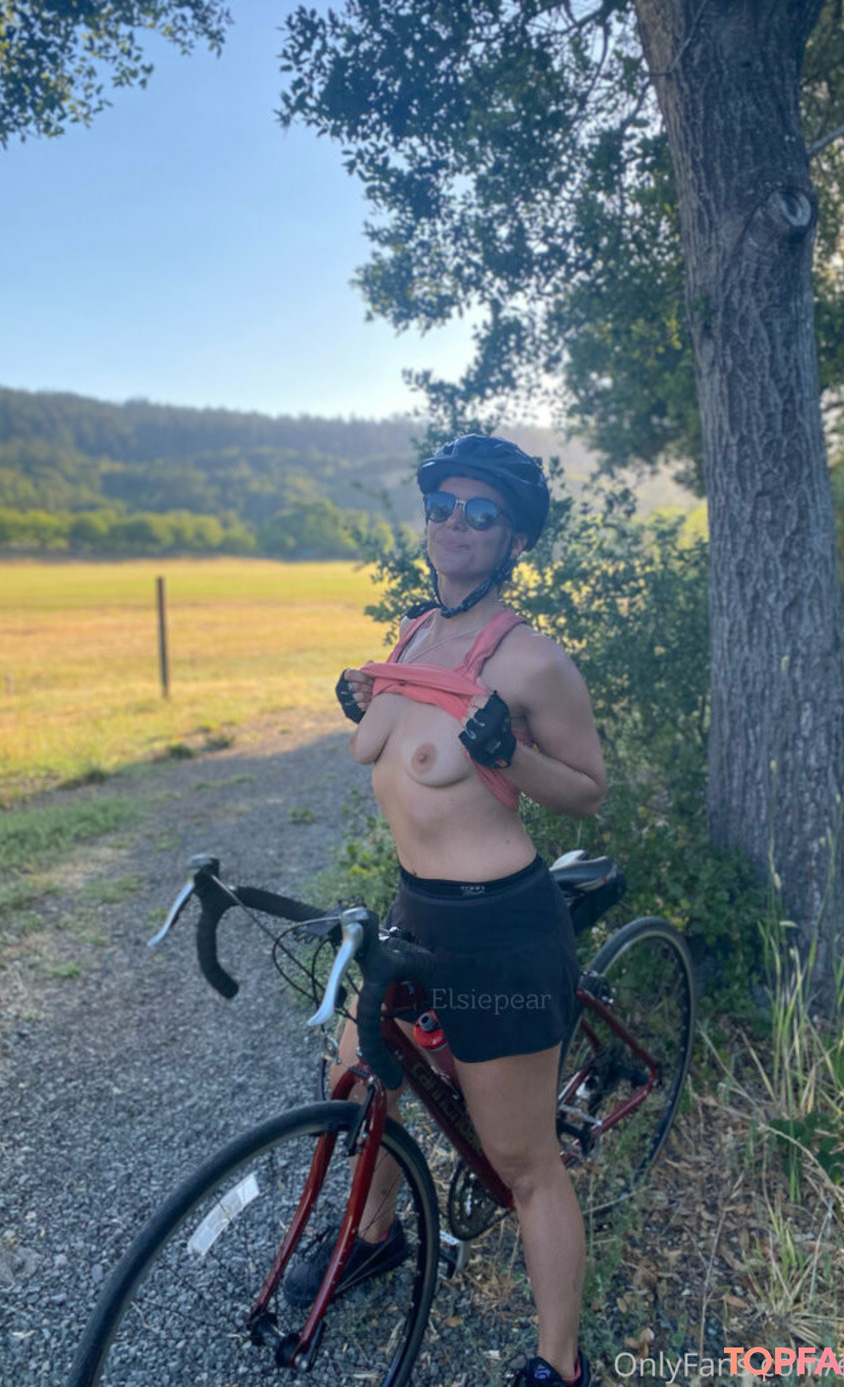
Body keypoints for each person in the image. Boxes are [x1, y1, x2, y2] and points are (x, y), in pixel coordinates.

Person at [302, 434, 607, 1387]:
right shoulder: (410, 636)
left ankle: (559, 1363)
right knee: (360, 1080)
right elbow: (404, 747)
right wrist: (362, 705)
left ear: (514, 537)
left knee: (523, 1162)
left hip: (499, 931)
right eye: (443, 507)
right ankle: (376, 1238)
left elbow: (588, 790)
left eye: (482, 513)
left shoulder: (532, 660)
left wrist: (510, 754)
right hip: (416, 910)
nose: (456, 524)